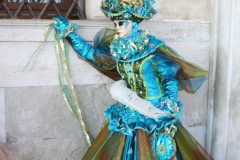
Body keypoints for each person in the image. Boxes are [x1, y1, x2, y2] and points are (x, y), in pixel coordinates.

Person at [51, 0, 213, 159]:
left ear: (133, 23)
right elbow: (93, 55)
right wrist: (69, 33)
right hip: (128, 111)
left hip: (154, 113)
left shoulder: (152, 51)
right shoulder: (120, 51)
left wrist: (168, 108)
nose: (116, 28)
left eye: (121, 23)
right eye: (115, 24)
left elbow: (170, 80)